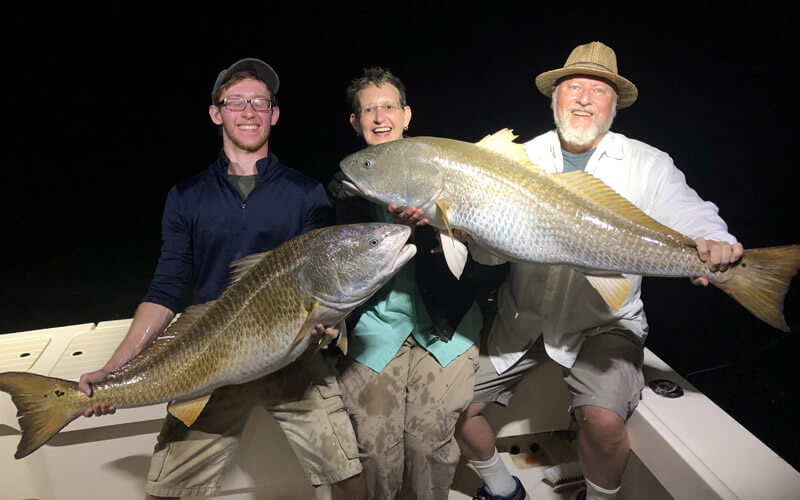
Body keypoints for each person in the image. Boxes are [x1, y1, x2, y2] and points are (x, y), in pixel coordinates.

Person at [454, 41, 743, 500]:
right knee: (454, 407)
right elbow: (492, 257)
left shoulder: (647, 163)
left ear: (613, 105)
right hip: (522, 317)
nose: (585, 98)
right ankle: (503, 488)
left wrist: (714, 240)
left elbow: (690, 213)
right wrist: (471, 236)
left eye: (599, 90)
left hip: (604, 324)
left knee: (604, 423)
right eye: (573, 87)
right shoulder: (517, 160)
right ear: (555, 98)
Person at [77, 58, 366, 500]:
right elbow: (168, 287)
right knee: (166, 493)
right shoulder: (186, 198)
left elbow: (320, 278)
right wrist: (114, 370)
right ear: (217, 113)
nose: (249, 112)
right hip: (210, 358)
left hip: (292, 357)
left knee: (351, 482)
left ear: (274, 114)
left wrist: (330, 319)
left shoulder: (305, 193)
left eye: (260, 102)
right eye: (236, 102)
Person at [327, 67, 508, 500]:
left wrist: (442, 229)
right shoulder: (344, 193)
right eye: (367, 109)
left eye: (388, 106)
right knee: (373, 448)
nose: (379, 115)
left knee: (429, 443)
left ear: (406, 115)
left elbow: (490, 273)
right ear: (356, 123)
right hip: (376, 329)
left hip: (446, 327)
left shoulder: (444, 171)